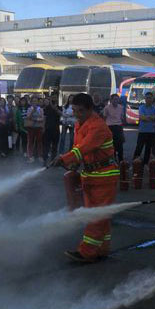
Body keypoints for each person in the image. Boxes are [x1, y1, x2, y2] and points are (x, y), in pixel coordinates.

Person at [50, 93, 119, 263]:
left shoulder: (98, 127)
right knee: (100, 215)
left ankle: (87, 252)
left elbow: (84, 148)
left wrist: (64, 159)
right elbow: (78, 147)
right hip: (90, 175)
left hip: (104, 176)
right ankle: (102, 248)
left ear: (90, 109)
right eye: (74, 110)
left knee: (95, 215)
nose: (76, 114)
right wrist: (74, 164)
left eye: (80, 111)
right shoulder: (80, 124)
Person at [133, 92, 155, 164]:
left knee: (148, 148)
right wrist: (151, 117)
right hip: (142, 131)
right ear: (145, 99)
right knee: (139, 147)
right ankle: (135, 162)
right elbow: (142, 118)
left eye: (150, 98)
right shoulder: (141, 107)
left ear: (152, 99)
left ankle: (145, 163)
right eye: (147, 98)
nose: (148, 99)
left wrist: (147, 117)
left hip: (151, 131)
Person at [103, 93, 126, 162]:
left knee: (120, 144)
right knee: (111, 145)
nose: (115, 101)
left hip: (118, 127)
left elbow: (122, 118)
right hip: (110, 127)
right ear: (111, 100)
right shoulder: (107, 108)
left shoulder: (121, 107)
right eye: (114, 99)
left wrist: (122, 128)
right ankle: (113, 160)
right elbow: (104, 118)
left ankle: (121, 160)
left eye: (117, 99)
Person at [24, 95, 45, 163]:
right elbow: (28, 117)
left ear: (38, 102)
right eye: (33, 101)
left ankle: (40, 156)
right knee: (30, 142)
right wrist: (33, 111)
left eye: (36, 101)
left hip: (38, 127)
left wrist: (35, 119)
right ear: (31, 102)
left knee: (39, 142)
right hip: (31, 128)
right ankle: (30, 156)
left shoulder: (40, 109)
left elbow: (42, 118)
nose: (34, 102)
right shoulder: (29, 109)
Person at [42, 95, 62, 165]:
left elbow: (61, 114)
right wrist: (43, 128)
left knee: (55, 146)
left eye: (55, 98)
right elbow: (44, 118)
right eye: (52, 98)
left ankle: (53, 161)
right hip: (47, 129)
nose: (54, 99)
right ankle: (45, 160)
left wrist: (55, 109)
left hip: (56, 129)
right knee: (46, 146)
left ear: (57, 99)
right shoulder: (46, 108)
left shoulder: (59, 107)